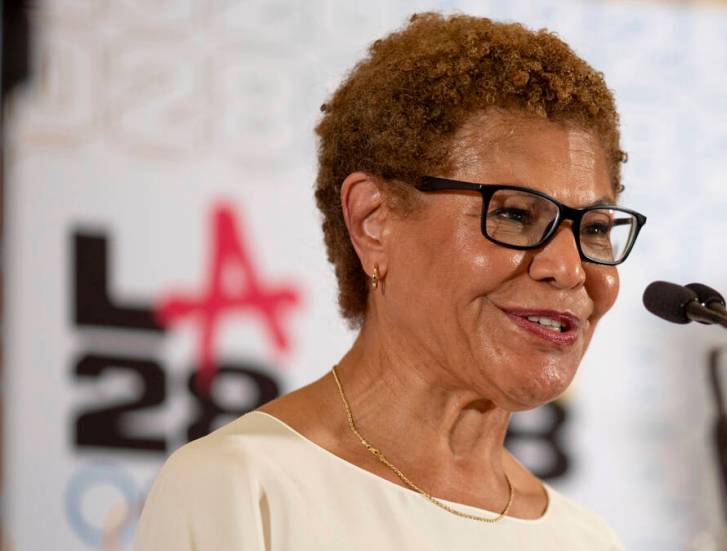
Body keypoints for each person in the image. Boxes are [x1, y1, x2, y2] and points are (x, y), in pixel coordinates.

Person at [135, 12, 646, 550]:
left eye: (593, 229)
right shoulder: (242, 486)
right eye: (516, 215)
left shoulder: (584, 539)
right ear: (372, 220)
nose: (568, 268)